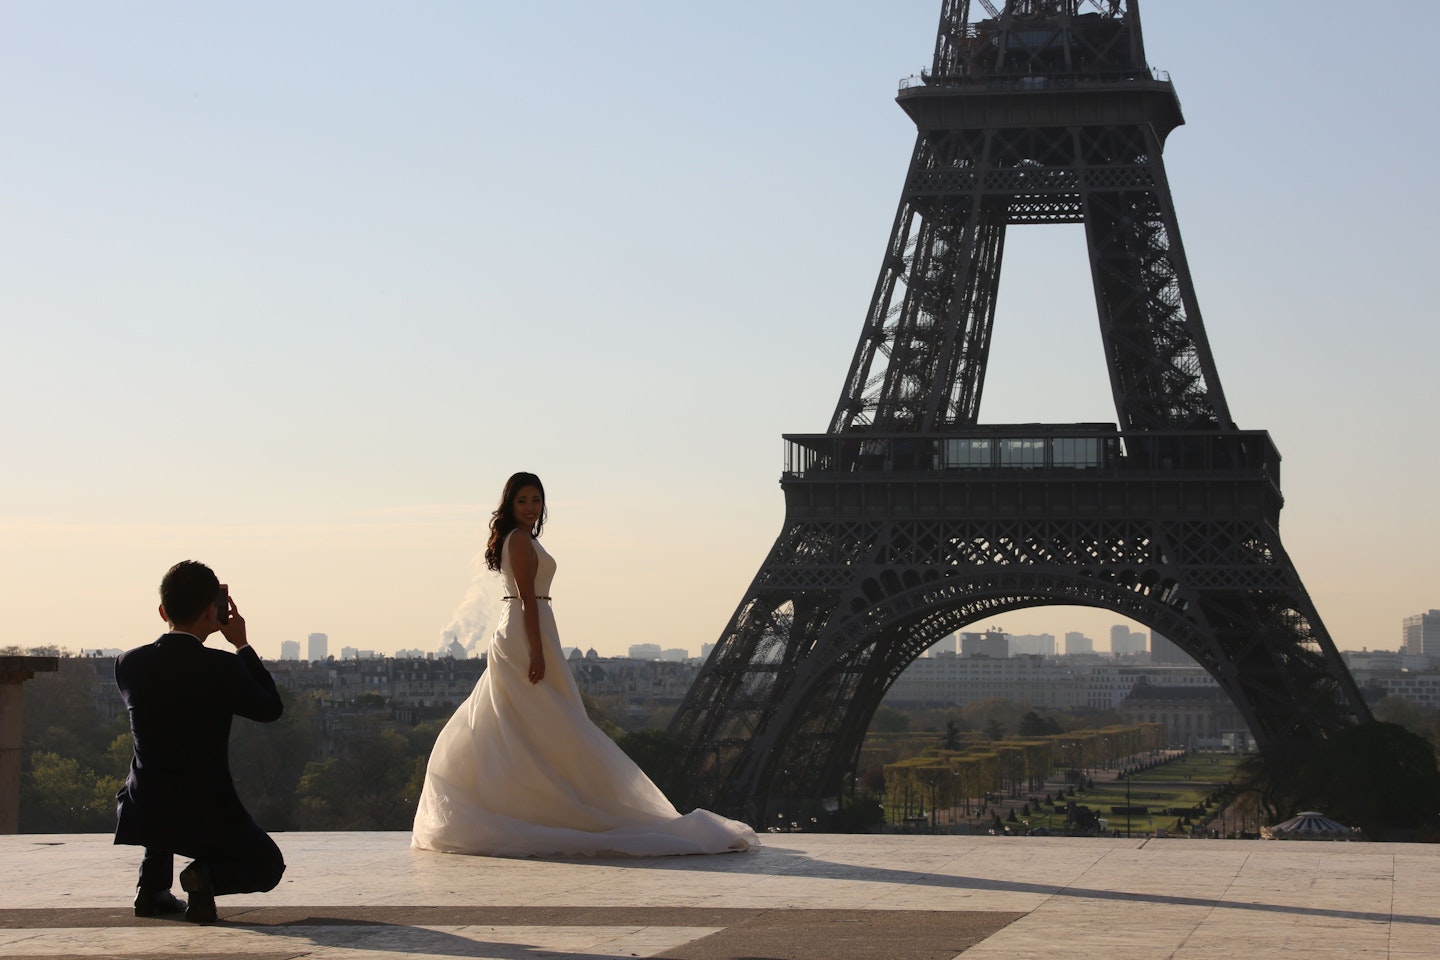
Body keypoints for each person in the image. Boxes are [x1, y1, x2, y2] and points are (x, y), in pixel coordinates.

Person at [412, 472, 757, 857]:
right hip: (528, 631)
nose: (530, 507)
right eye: (523, 500)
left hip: (532, 626)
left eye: (536, 500)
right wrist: (538, 651)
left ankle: (530, 800)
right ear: (510, 504)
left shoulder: (521, 539)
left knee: (530, 720)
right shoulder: (521, 540)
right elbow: (527, 599)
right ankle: (558, 801)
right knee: (548, 719)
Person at [114, 560, 286, 923]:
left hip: (143, 808)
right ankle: (204, 876)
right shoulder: (223, 667)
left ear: (163, 611)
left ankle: (151, 889)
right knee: (269, 865)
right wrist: (242, 646)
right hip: (204, 813)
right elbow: (270, 708)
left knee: (157, 773)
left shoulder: (128, 664)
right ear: (213, 611)